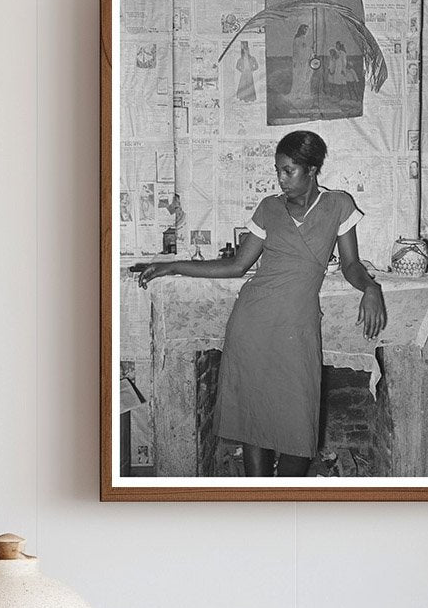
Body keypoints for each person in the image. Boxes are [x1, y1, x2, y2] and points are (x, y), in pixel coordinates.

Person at [135, 131, 386, 478]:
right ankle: (259, 499)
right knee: (253, 419)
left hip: (297, 325)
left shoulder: (338, 204)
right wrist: (174, 265)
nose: (281, 179)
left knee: (299, 424)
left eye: (289, 171)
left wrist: (371, 288)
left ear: (312, 170)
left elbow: (351, 265)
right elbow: (237, 265)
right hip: (252, 321)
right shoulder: (269, 208)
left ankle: (285, 501)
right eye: (277, 171)